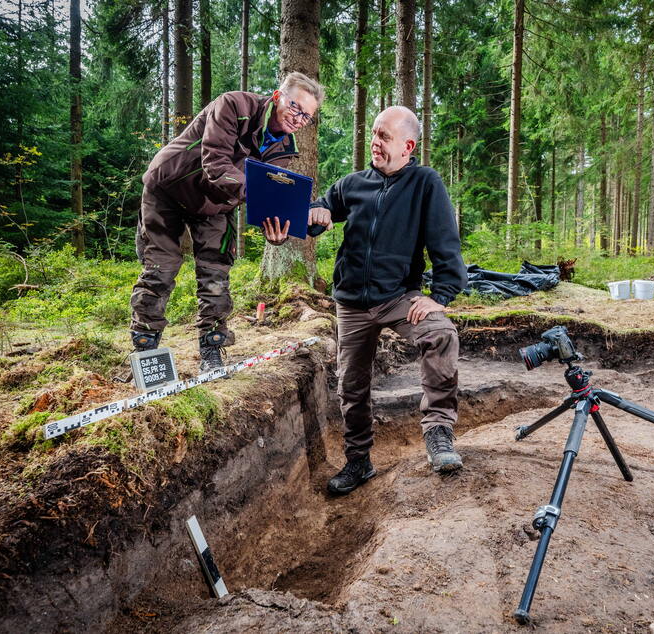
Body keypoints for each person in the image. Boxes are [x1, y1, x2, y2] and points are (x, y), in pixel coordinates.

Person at [291, 106, 467, 495]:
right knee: (351, 384)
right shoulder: (351, 184)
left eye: (384, 136)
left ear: (407, 145)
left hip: (399, 297)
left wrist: (441, 295)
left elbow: (445, 242)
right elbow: (318, 211)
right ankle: (358, 462)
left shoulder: (425, 183)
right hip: (352, 302)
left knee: (441, 335)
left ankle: (438, 434)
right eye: (373, 133)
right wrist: (313, 213)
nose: (374, 141)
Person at [129, 72, 324, 371]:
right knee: (161, 268)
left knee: (216, 274)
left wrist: (278, 230)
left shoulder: (284, 149)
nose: (299, 119)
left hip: (216, 204)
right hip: (170, 187)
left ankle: (211, 350)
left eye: (307, 116)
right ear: (277, 97)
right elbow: (216, 165)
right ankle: (146, 350)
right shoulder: (234, 106)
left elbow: (271, 196)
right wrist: (262, 194)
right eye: (296, 108)